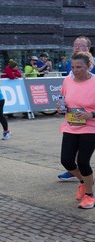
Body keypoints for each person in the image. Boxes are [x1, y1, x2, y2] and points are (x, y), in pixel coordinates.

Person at [57, 51, 95, 209]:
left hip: (90, 126)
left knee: (83, 161)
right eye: (72, 67)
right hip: (71, 125)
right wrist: (61, 107)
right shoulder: (67, 80)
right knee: (66, 160)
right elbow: (63, 99)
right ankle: (83, 182)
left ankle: (90, 195)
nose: (75, 70)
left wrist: (90, 114)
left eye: (79, 67)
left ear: (88, 66)